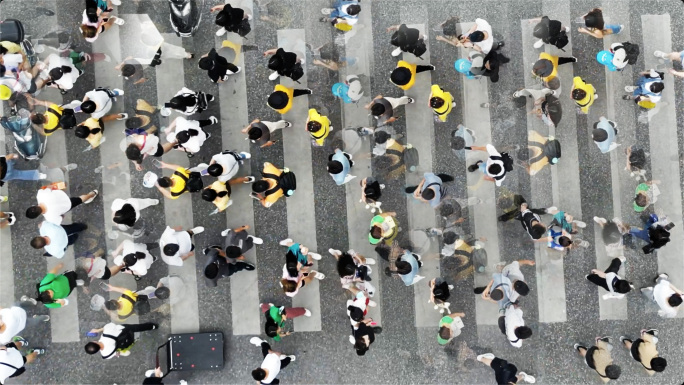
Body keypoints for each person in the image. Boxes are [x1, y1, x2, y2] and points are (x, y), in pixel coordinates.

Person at [26, 186, 98, 225]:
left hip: (67, 205)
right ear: (33, 206)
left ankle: (91, 195)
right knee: (79, 199)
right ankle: (92, 193)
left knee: (80, 200)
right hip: (61, 195)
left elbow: (61, 217)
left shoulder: (50, 218)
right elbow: (49, 187)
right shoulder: (40, 195)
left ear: (38, 215)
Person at [84, 322, 158, 359]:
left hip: (127, 342)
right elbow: (111, 325)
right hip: (125, 331)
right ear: (93, 342)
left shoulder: (105, 355)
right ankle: (153, 326)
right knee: (136, 327)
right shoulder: (106, 334)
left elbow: (116, 353)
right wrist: (98, 330)